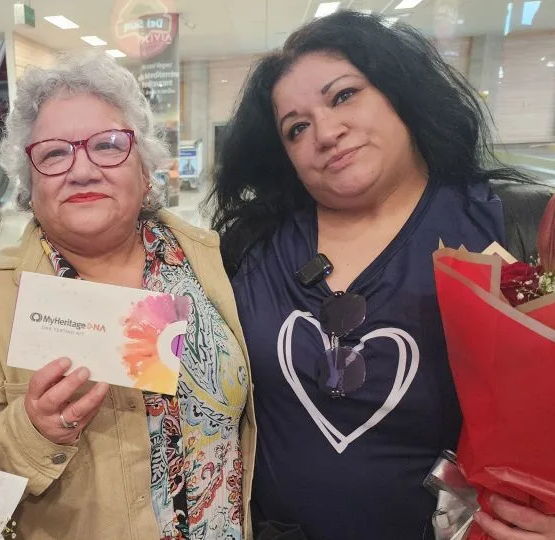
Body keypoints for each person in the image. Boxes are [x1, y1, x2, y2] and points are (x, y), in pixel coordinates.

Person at [209, 11, 555, 540]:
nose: (326, 132)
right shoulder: (250, 248)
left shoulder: (517, 228)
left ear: (399, 93)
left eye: (344, 95)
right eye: (296, 128)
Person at [0, 52, 256, 540]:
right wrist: (29, 429)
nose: (82, 170)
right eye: (54, 153)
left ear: (145, 171)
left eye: (108, 146)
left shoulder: (212, 261)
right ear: (29, 184)